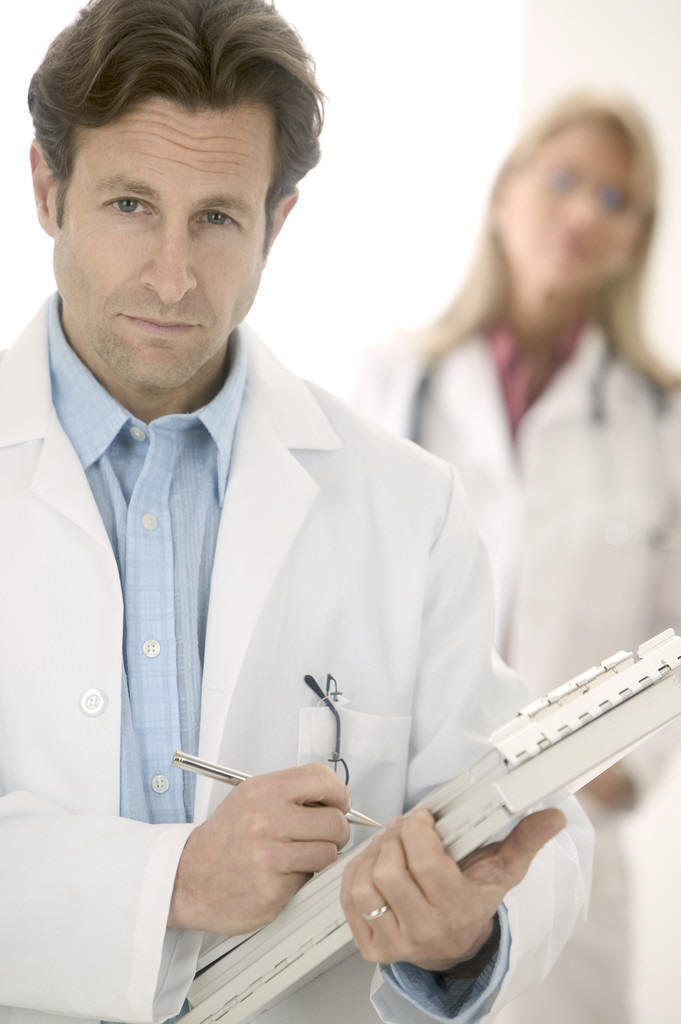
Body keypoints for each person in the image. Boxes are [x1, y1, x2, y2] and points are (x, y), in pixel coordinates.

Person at [0, 4, 592, 1024]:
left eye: (218, 218)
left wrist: (465, 933)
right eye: (132, 205)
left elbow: (527, 825)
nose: (173, 277)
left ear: (277, 223)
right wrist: (175, 881)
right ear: (49, 190)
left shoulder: (406, 506)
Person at [355, 90, 681, 1024]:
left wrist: (628, 766)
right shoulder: (394, 383)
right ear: (504, 193)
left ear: (634, 238)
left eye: (614, 200)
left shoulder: (660, 420)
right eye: (563, 181)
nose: (583, 213)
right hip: (398, 819)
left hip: (566, 829)